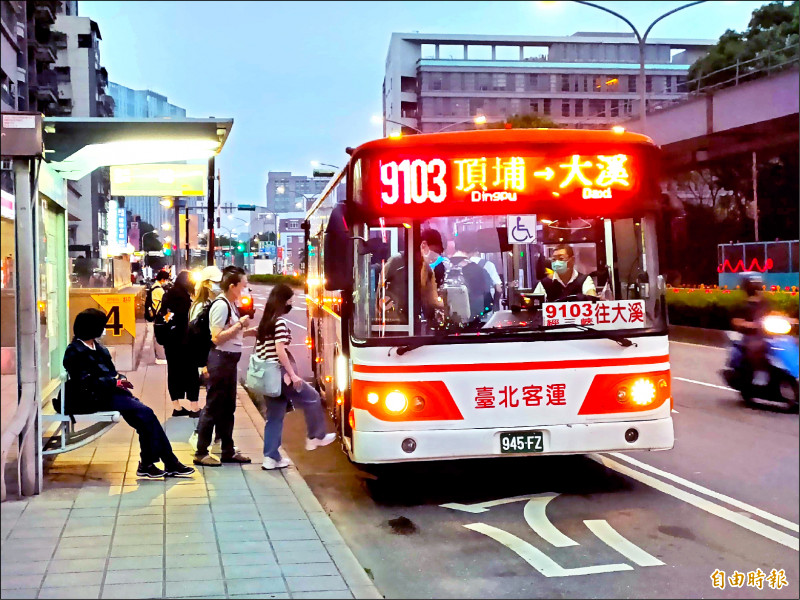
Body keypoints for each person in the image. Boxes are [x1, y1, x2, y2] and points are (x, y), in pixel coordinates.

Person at [63, 308, 195, 479]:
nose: (105, 329)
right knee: (146, 414)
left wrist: (120, 380)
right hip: (92, 398)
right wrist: (114, 382)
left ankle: (153, 464)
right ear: (91, 327)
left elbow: (112, 372)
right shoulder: (74, 351)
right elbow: (85, 382)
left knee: (144, 419)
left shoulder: (99, 348)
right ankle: (165, 462)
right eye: (102, 326)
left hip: (111, 394)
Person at [255, 284, 336, 470]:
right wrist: (291, 374)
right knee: (312, 397)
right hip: (280, 374)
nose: (291, 303)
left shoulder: (266, 321)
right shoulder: (279, 323)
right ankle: (315, 436)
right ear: (283, 301)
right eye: (290, 300)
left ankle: (270, 458)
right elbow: (280, 350)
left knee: (274, 417)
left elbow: (264, 350)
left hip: (267, 376)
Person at [193, 267, 255, 466]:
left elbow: (231, 334)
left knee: (228, 407)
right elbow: (217, 338)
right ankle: (201, 452)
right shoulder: (221, 305)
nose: (245, 290)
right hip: (220, 361)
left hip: (229, 361)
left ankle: (227, 450)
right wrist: (240, 325)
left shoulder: (231, 304)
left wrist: (250, 331)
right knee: (213, 406)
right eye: (243, 286)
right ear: (232, 286)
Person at [160, 270, 201, 418]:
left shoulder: (168, 295)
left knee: (173, 373)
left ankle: (176, 407)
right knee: (191, 373)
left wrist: (170, 325)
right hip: (185, 343)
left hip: (170, 343)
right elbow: (186, 320)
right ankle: (194, 408)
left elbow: (166, 316)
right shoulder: (183, 297)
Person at [729, 273, 771, 385]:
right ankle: (759, 374)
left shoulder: (765, 303)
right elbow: (736, 322)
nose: (757, 287)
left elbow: (776, 315)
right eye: (754, 284)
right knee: (757, 346)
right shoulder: (742, 305)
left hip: (768, 334)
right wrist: (750, 325)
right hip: (750, 336)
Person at [151, 270, 171, 364]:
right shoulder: (158, 289)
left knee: (158, 332)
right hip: (160, 314)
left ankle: (160, 356)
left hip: (157, 314)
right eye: (166, 279)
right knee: (160, 333)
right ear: (163, 279)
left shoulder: (154, 287)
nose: (166, 281)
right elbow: (164, 303)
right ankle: (161, 357)